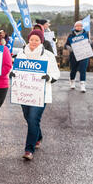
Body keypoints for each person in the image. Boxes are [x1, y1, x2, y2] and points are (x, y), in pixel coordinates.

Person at [11, 30, 60, 160]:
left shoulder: (48, 55)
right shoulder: (21, 54)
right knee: (28, 118)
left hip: (40, 94)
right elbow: (14, 68)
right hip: (24, 93)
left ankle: (29, 150)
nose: (33, 42)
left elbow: (56, 73)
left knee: (33, 118)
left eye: (37, 40)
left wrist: (49, 77)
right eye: (31, 39)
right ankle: (38, 136)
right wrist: (12, 73)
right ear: (28, 40)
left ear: (41, 41)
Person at [65, 21, 93, 93]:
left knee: (83, 70)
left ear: (82, 27)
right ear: (74, 27)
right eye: (77, 26)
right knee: (73, 69)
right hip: (73, 55)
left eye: (80, 26)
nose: (78, 27)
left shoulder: (86, 34)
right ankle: (72, 81)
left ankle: (82, 85)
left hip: (84, 55)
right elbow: (66, 45)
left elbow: (92, 46)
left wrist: (90, 42)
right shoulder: (71, 35)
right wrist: (69, 48)